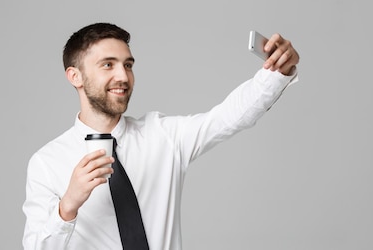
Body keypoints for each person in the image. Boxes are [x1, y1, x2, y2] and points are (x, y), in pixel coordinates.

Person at [22, 22, 300, 250]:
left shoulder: (163, 135)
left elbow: (228, 117)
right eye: (108, 65)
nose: (123, 76)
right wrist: (67, 206)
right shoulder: (47, 163)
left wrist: (278, 72)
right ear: (75, 76)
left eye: (128, 65)